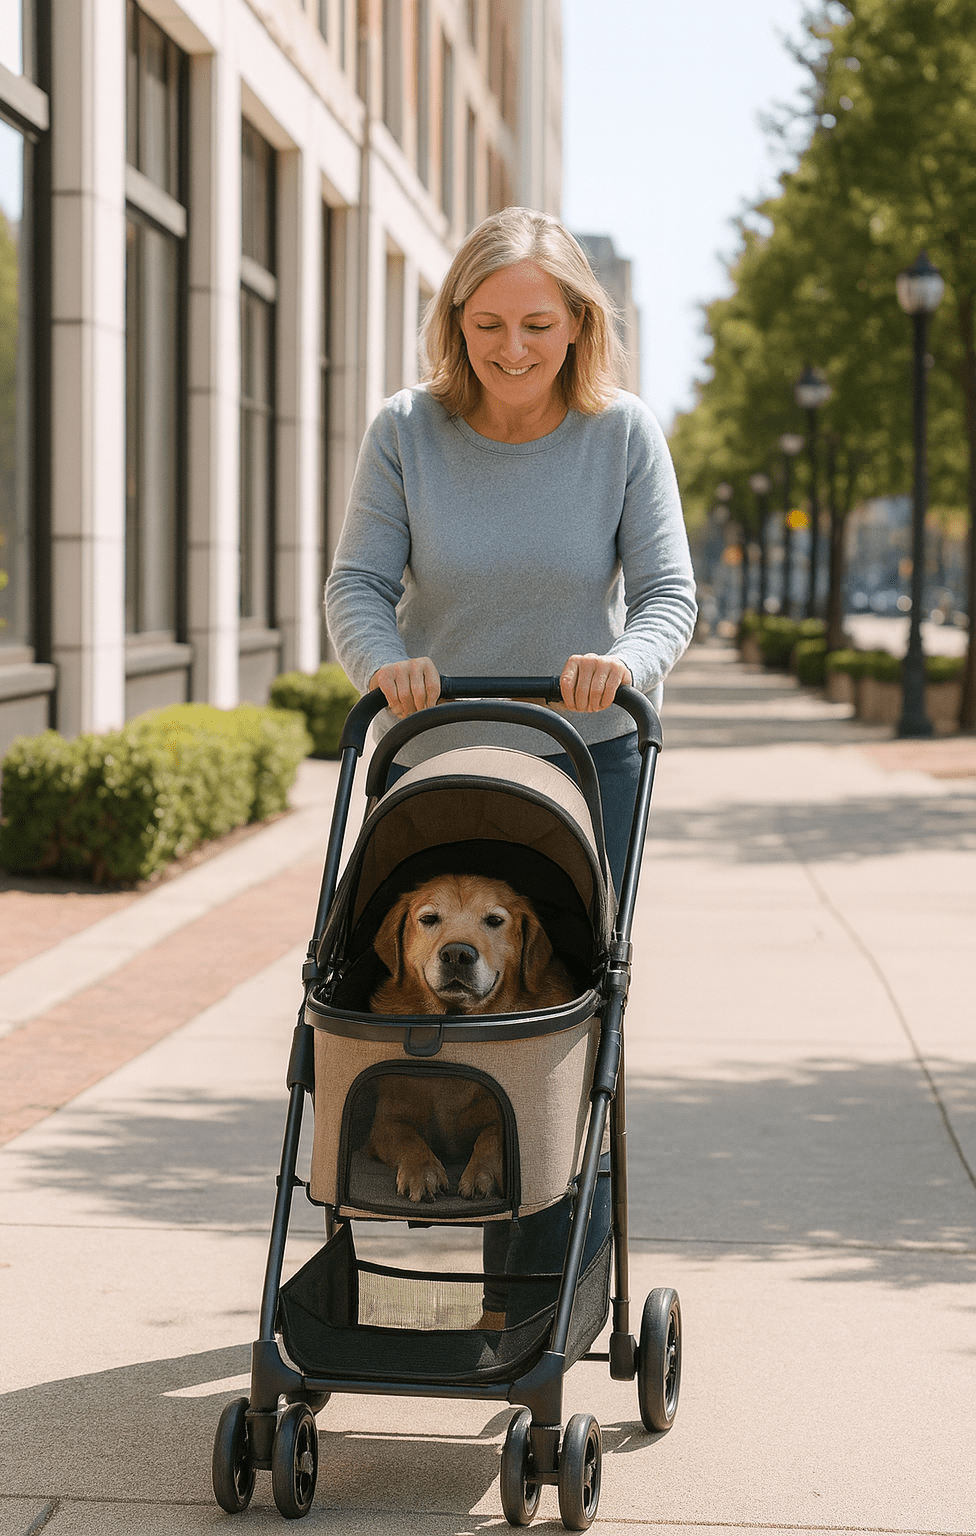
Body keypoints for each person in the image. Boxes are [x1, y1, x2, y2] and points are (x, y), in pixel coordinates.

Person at [325, 205, 696, 1321]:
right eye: (488, 324)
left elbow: (669, 596)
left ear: (580, 324)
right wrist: (385, 667)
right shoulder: (406, 430)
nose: (514, 347)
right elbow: (356, 588)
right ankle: (376, 1269)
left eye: (538, 323)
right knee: (399, 1000)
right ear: (456, 323)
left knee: (566, 1019)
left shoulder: (621, 434)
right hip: (439, 762)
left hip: (584, 766)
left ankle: (532, 1302)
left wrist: (622, 663)